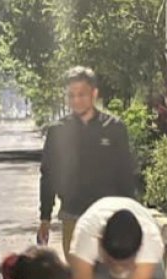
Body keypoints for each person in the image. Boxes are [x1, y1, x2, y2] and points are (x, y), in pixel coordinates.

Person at [38, 66, 138, 254]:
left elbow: (126, 174)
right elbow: (48, 175)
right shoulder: (57, 131)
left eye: (81, 94)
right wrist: (45, 218)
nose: (76, 100)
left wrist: (131, 214)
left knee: (108, 277)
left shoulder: (114, 128)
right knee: (78, 276)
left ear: (94, 94)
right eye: (71, 95)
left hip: (108, 218)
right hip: (72, 216)